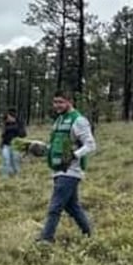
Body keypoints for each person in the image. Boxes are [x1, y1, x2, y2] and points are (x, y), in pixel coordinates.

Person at [38, 90, 97, 244]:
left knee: (55, 206)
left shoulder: (79, 120)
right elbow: (54, 144)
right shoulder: (58, 120)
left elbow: (90, 144)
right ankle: (89, 234)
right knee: (72, 207)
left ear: (69, 102)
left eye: (60, 102)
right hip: (58, 169)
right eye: (55, 102)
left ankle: (46, 239)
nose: (57, 105)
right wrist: (40, 148)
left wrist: (74, 155)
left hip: (71, 170)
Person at [0, 108, 26, 178]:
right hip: (6, 145)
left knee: (15, 162)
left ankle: (16, 176)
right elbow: (3, 135)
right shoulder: (5, 124)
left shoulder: (19, 123)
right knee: (6, 161)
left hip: (16, 145)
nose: (8, 118)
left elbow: (23, 134)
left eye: (9, 116)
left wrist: (13, 128)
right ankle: (5, 177)